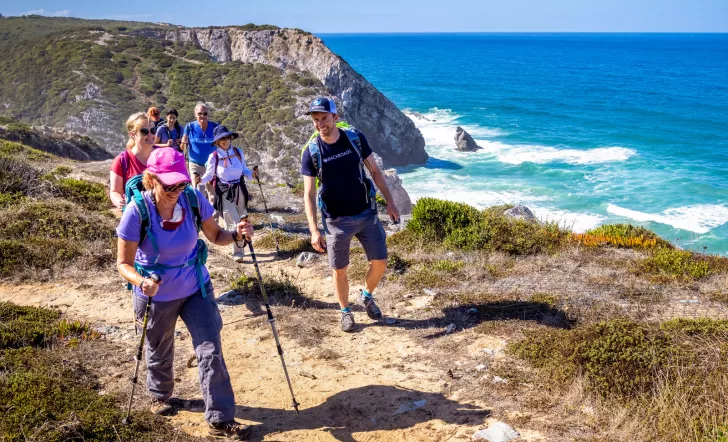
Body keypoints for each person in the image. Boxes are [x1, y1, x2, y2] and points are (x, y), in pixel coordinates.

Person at [116, 147, 254, 440]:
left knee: (210, 350)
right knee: (159, 348)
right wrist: (141, 282)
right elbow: (123, 264)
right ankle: (160, 395)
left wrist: (238, 236)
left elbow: (216, 235)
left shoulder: (192, 199)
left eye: (181, 183)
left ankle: (219, 420)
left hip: (196, 287)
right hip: (155, 294)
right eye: (170, 185)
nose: (177, 190)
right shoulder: (137, 212)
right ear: (151, 179)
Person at [300, 97, 400, 332]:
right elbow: (308, 193)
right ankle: (345, 312)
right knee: (339, 270)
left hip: (366, 213)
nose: (320, 123)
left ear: (336, 117)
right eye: (315, 120)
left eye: (324, 118)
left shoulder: (354, 138)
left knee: (381, 262)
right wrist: (314, 229)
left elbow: (374, 171)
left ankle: (366, 295)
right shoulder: (311, 152)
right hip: (336, 221)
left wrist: (391, 202)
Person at [200, 125, 258, 263]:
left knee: (242, 219)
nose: (225, 140)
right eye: (222, 139)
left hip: (240, 189)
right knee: (231, 220)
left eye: (227, 137)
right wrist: (199, 180)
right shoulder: (213, 157)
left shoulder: (238, 152)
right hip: (224, 191)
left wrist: (254, 175)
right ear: (217, 142)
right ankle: (238, 251)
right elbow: (208, 176)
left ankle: (243, 243)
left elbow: (244, 170)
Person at [109, 112, 156, 209]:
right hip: (136, 217)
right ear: (132, 134)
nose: (150, 135)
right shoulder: (122, 160)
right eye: (144, 131)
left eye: (153, 130)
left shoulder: (163, 156)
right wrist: (121, 203)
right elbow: (115, 191)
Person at [181, 102, 218, 202]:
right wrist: (183, 142)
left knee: (213, 194)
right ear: (195, 114)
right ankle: (200, 216)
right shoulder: (189, 127)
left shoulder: (215, 127)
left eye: (205, 114)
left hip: (211, 165)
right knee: (198, 192)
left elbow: (222, 144)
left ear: (208, 115)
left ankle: (212, 216)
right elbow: (183, 147)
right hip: (195, 165)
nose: (202, 116)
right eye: (200, 114)